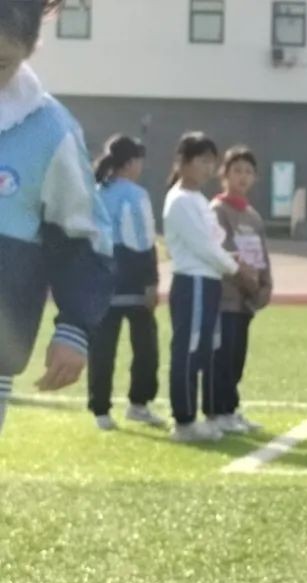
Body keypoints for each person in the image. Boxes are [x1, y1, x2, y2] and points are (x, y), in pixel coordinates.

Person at [0, 0, 113, 436]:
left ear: (30, 49)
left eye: (1, 62)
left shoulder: (50, 132)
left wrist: (74, 328)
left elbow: (85, 237)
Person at [163, 132, 257, 443]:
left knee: (202, 351)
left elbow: (214, 242)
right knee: (189, 352)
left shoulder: (198, 200)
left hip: (208, 281)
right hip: (194, 282)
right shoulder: (180, 200)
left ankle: (198, 416)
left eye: (210, 161)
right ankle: (184, 421)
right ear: (183, 162)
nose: (207, 168)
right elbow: (204, 247)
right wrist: (235, 268)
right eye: (202, 161)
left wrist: (230, 261)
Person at [87, 134, 164, 430]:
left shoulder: (94, 191)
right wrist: (151, 281)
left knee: (102, 348)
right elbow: (141, 241)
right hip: (131, 276)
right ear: (131, 163)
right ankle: (139, 404)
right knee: (145, 346)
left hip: (100, 277)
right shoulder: (134, 194)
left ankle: (101, 411)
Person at [210, 145, 273, 434]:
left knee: (237, 358)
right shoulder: (218, 210)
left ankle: (231, 409)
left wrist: (265, 286)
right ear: (224, 174)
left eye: (248, 172)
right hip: (226, 298)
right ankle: (218, 411)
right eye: (237, 171)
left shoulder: (253, 216)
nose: (243, 177)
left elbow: (262, 254)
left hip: (246, 302)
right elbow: (225, 254)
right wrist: (248, 282)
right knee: (222, 358)